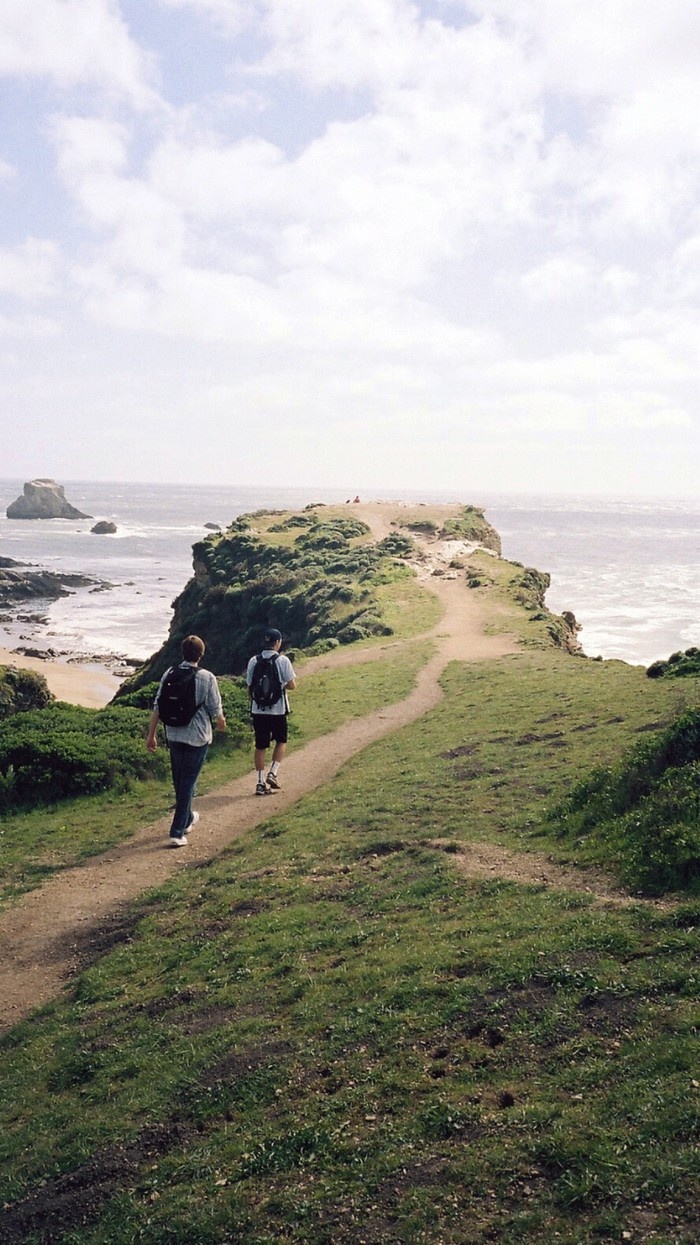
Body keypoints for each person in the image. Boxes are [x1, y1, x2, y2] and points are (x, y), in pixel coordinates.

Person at [146, 635, 226, 847]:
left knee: (180, 780)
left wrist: (151, 735)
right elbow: (215, 708)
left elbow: (158, 705)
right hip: (197, 736)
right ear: (201, 654)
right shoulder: (207, 677)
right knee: (188, 781)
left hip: (173, 733)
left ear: (183, 652)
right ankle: (177, 831)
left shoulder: (169, 673)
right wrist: (220, 721)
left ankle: (188, 817)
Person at [246, 627, 296, 796]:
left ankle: (260, 783)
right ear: (277, 642)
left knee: (260, 746)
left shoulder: (254, 660)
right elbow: (292, 685)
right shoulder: (283, 661)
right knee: (281, 741)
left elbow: (249, 686)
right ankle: (273, 773)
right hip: (278, 710)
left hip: (258, 710)